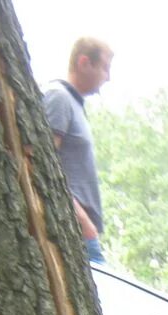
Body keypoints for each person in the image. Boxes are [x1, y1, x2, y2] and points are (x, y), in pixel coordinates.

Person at [43, 37, 113, 264]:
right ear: (84, 63)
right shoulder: (58, 97)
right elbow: (44, 167)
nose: (108, 77)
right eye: (104, 68)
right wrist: (82, 221)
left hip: (81, 231)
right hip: (73, 230)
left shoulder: (74, 104)